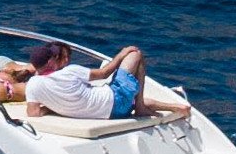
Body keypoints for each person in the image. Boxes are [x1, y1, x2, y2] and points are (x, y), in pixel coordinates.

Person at [23, 41, 188, 121]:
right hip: (116, 100)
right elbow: (104, 73)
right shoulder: (70, 72)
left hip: (111, 114)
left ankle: (173, 107)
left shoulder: (32, 86)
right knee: (135, 54)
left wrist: (52, 108)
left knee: (124, 99)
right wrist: (121, 54)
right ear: (51, 62)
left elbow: (33, 113)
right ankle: (140, 107)